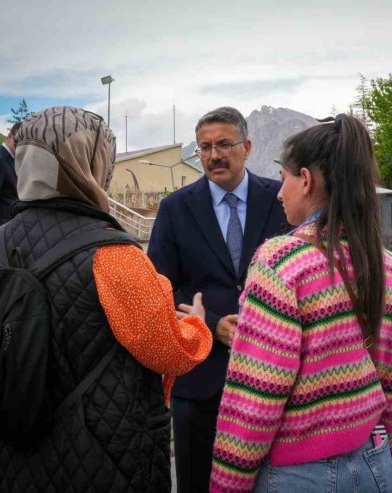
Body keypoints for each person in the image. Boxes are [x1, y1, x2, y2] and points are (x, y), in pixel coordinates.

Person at [0, 106, 212, 492]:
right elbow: (168, 351)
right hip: (102, 455)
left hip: (7, 457)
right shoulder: (114, 255)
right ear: (88, 164)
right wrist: (196, 324)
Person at [209, 114, 392, 492]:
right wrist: (386, 461)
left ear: (307, 179)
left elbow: (256, 396)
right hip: (374, 462)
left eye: (284, 180)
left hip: (299, 476)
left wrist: (225, 485)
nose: (279, 193)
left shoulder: (283, 263)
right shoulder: (386, 266)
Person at [147, 107, 288, 493]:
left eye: (224, 144)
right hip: (200, 380)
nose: (214, 155)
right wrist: (210, 324)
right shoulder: (176, 208)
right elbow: (159, 286)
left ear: (247, 147)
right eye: (205, 147)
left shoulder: (279, 200)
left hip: (271, 376)